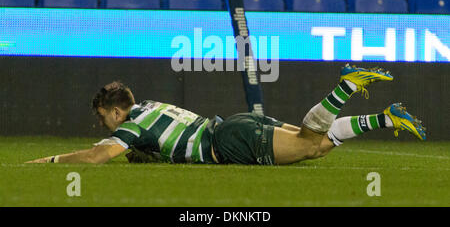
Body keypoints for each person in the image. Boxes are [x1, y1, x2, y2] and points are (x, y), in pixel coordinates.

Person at [26, 64, 426, 165]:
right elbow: (151, 146)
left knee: (307, 145)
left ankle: (347, 86)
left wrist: (54, 160)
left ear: (117, 111)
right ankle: (387, 118)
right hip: (233, 126)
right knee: (319, 146)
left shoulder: (134, 123)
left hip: (229, 141)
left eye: (103, 118)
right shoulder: (150, 107)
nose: (104, 125)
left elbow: (100, 154)